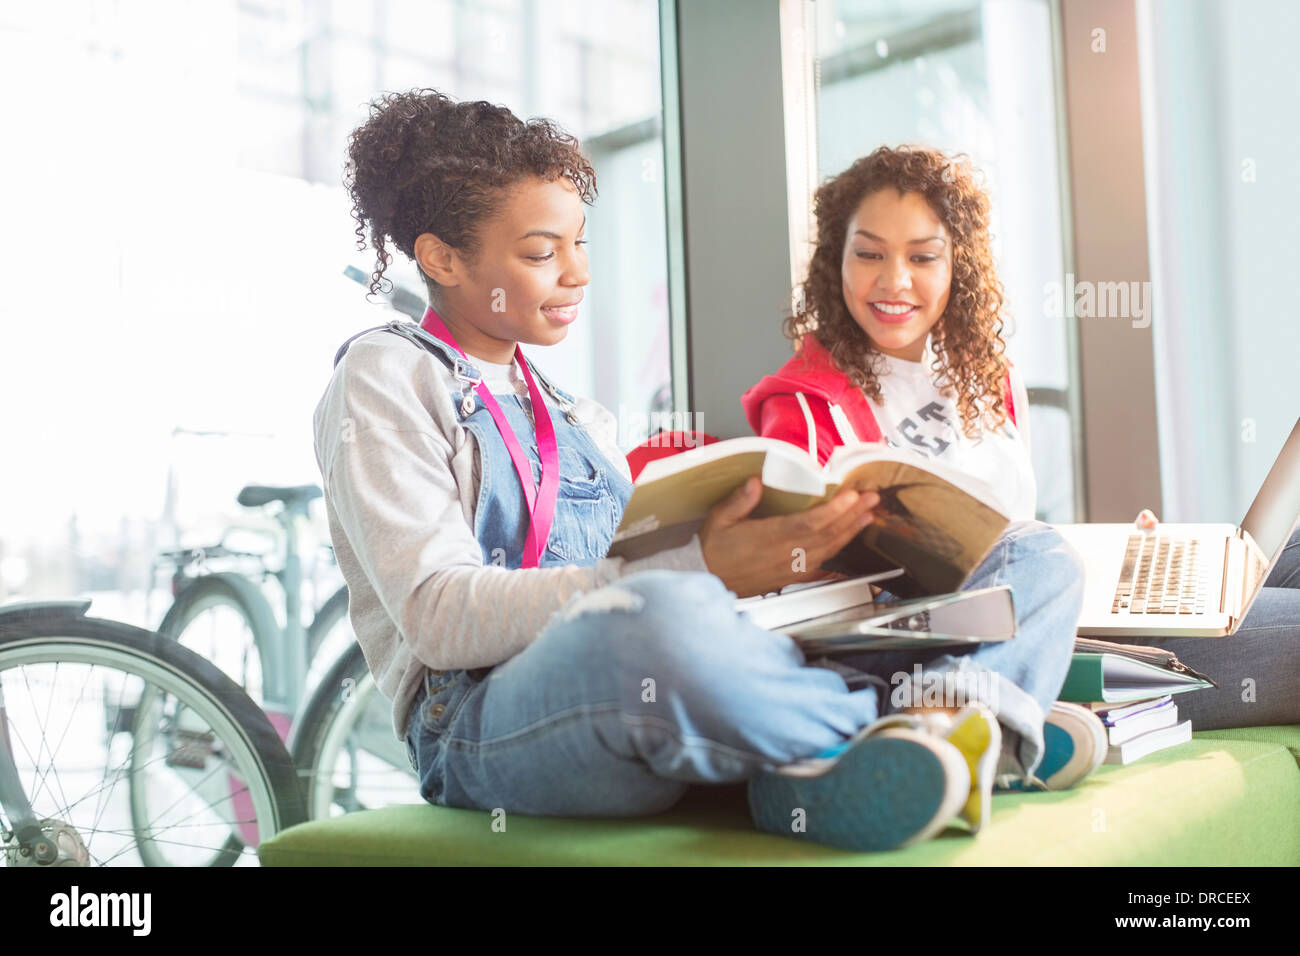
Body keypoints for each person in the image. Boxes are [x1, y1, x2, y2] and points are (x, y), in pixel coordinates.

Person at [313, 92, 1074, 854]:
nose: (577, 274)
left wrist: (767, 570)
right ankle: (953, 720)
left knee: (1036, 555)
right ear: (442, 257)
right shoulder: (388, 375)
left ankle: (883, 738)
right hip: (485, 716)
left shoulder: (577, 416)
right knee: (653, 626)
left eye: (581, 244)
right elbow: (440, 621)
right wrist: (697, 569)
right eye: (544, 254)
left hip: (666, 687)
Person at [742, 145, 1107, 796]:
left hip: (1008, 618)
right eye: (870, 252)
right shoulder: (799, 404)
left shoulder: (988, 378)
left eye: (922, 256)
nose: (894, 282)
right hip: (885, 638)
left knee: (1271, 574)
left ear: (956, 264)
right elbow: (794, 585)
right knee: (1047, 560)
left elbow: (1015, 529)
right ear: (837, 257)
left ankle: (974, 724)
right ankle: (945, 727)